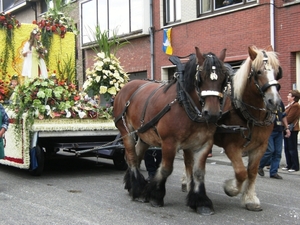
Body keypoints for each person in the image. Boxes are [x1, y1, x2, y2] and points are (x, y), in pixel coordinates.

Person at [258, 100, 290, 179]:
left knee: (278, 153)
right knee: (270, 150)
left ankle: (273, 172)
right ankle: (259, 166)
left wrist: (287, 128)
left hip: (279, 130)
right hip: (269, 131)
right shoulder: (266, 102)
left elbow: (283, 115)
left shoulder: (280, 102)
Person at [283, 90, 300, 172]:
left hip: (292, 129)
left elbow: (289, 118)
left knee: (292, 147)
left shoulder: (296, 106)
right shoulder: (289, 105)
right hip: (286, 128)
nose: (287, 96)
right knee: (286, 147)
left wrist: (283, 120)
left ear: (293, 97)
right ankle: (288, 164)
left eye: (289, 95)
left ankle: (295, 165)